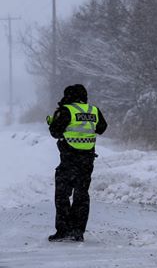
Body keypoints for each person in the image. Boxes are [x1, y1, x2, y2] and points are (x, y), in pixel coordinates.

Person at [46, 84, 107, 242]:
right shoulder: (93, 110)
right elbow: (102, 128)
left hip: (69, 158)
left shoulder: (66, 111)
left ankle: (63, 230)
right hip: (87, 160)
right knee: (81, 195)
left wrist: (54, 120)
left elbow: (55, 132)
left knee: (62, 194)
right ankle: (77, 231)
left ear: (68, 96)